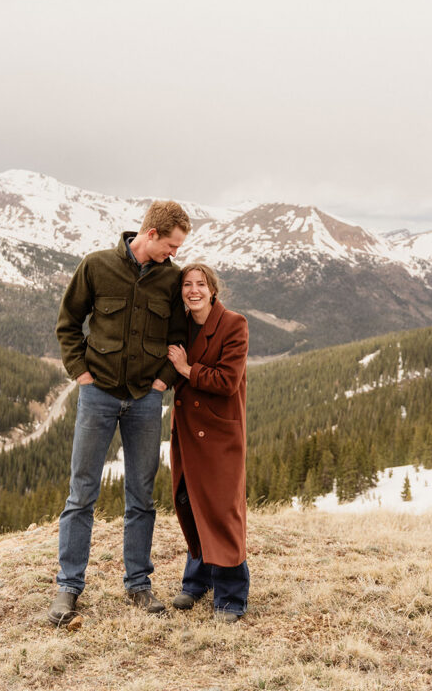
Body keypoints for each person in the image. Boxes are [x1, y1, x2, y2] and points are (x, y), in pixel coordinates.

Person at [48, 200, 191, 625]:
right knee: (82, 494)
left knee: (141, 497)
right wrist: (81, 374)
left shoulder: (172, 279)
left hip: (147, 400)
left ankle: (138, 585)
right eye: (171, 244)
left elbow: (180, 335)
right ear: (149, 235)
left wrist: (164, 380)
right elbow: (68, 323)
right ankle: (68, 589)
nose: (175, 253)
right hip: (98, 395)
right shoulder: (95, 266)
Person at [167, 262, 249, 622]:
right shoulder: (180, 325)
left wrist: (187, 370)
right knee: (191, 500)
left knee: (221, 508)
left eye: (201, 284)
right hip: (186, 431)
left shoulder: (234, 324)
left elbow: (227, 381)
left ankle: (231, 595)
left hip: (219, 433)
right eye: (187, 284)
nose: (194, 290)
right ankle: (197, 580)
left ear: (213, 290)